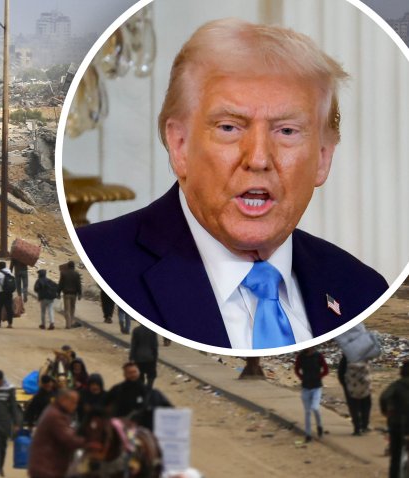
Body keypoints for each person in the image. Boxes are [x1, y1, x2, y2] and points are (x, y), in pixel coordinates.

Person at [74, 19, 388, 349]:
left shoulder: (363, 291)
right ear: (179, 145)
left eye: (287, 131)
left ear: (323, 158)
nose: (258, 158)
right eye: (229, 128)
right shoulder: (93, 268)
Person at [27, 389, 85, 478]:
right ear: (64, 399)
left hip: (47, 466)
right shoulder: (55, 415)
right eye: (73, 402)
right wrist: (88, 442)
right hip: (47, 468)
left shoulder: (55, 411)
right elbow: (68, 439)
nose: (75, 406)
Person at [380, 361, 409, 478]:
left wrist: (386, 412)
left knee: (395, 456)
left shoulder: (396, 385)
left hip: (397, 423)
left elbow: (384, 397)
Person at [294, 348, 329, 442]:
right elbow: (296, 369)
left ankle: (319, 425)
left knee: (315, 408)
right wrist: (302, 377)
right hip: (305, 387)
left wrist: (319, 377)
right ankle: (308, 434)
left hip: (316, 387)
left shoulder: (318, 356)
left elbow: (326, 369)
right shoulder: (301, 356)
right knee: (307, 412)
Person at [338, 354, 372, 436]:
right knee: (365, 406)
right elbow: (367, 372)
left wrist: (346, 385)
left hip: (351, 387)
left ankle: (358, 428)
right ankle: (364, 426)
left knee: (354, 408)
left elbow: (340, 374)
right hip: (363, 387)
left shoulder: (346, 358)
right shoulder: (363, 357)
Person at [129, 324, 159, 390]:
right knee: (151, 375)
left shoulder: (136, 330)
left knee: (140, 376)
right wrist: (155, 357)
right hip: (150, 357)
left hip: (138, 357)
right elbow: (155, 346)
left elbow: (133, 345)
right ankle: (149, 388)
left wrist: (131, 357)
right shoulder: (153, 331)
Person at [58, 261, 82, 329]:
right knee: (72, 309)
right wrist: (80, 294)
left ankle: (68, 324)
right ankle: (71, 322)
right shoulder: (76, 274)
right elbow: (78, 285)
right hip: (74, 295)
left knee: (67, 310)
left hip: (66, 294)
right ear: (74, 267)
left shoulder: (64, 273)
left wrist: (58, 293)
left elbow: (60, 284)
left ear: (68, 266)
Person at [0, 261, 15, 328]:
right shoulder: (10, 273)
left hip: (2, 293)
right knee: (9, 308)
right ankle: (10, 323)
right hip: (9, 293)